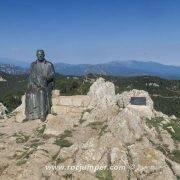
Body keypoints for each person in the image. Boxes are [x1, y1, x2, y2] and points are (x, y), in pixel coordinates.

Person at [25, 50, 55, 121]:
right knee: (29, 94)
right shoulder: (33, 64)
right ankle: (30, 115)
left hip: (45, 85)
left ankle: (42, 115)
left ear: (44, 55)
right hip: (35, 84)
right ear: (36, 55)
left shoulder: (49, 64)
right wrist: (32, 84)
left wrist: (46, 78)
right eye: (38, 54)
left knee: (41, 92)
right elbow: (31, 76)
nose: (40, 56)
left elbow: (52, 75)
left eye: (41, 54)